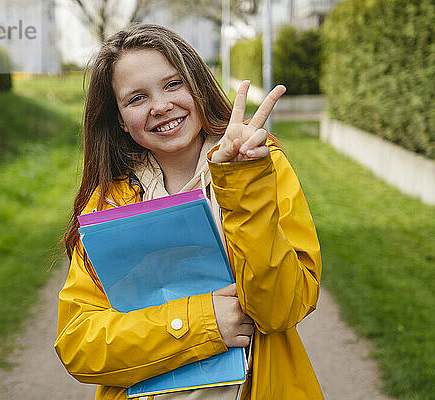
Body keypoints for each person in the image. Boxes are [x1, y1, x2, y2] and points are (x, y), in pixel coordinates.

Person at [55, 24, 323, 400]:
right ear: (119, 119)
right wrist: (204, 324)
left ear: (197, 85)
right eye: (136, 99)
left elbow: (281, 308)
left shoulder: (262, 165)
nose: (160, 106)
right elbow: (79, 344)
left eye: (173, 84)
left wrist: (241, 182)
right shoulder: (108, 203)